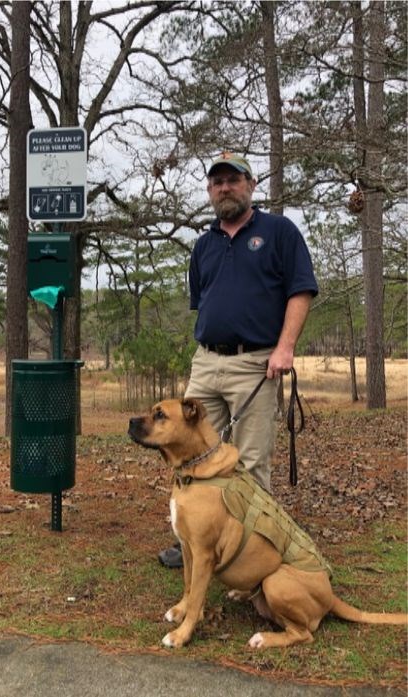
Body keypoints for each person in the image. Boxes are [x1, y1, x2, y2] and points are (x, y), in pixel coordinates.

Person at [158, 151, 318, 568]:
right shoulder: (204, 245)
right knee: (190, 452)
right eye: (217, 182)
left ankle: (255, 551)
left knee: (248, 462)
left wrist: (285, 347)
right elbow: (204, 303)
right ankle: (194, 539)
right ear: (210, 191)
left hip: (256, 363)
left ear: (250, 184)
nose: (225, 187)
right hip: (206, 363)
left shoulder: (279, 232)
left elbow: (301, 291)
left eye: (233, 179)